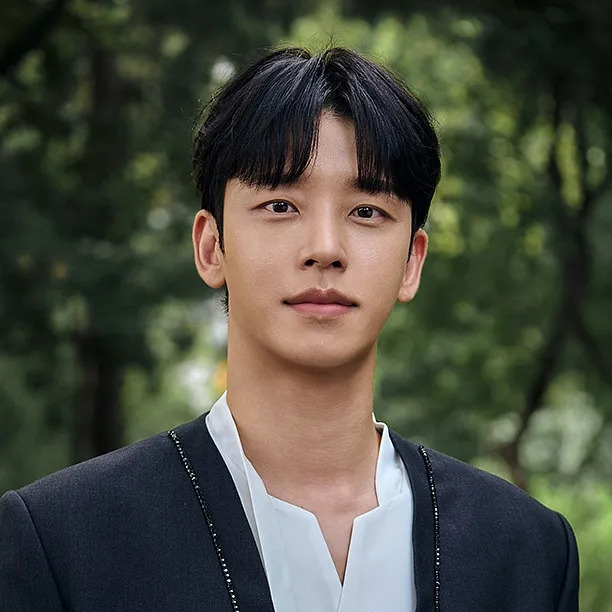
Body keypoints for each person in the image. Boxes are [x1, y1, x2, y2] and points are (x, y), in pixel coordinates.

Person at [0, 47, 578, 612]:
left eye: (367, 211)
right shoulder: (63, 542)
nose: (324, 248)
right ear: (211, 246)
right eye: (280, 205)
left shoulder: (525, 550)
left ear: (411, 262)